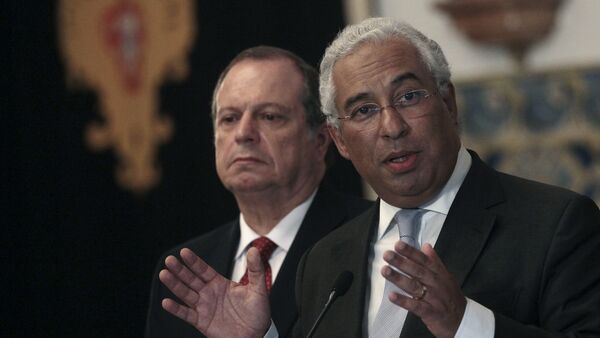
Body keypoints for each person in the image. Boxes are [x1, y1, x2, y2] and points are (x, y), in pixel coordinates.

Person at [157, 18, 600, 338]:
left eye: (408, 96)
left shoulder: (556, 224)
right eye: (364, 110)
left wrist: (465, 323)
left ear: (448, 103)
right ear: (340, 141)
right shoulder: (325, 262)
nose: (391, 127)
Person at [145, 46, 371, 338]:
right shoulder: (183, 270)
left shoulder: (370, 236)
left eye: (269, 116)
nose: (243, 133)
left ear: (320, 140)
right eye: (229, 118)